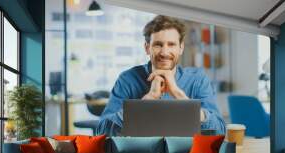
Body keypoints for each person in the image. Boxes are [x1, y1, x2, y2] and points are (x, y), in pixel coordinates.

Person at [96, 15, 226, 136]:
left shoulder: (198, 80)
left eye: (171, 44)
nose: (164, 52)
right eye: (158, 45)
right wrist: (146, 101)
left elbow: (219, 130)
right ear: (147, 48)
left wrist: (178, 94)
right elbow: (101, 132)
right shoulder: (127, 80)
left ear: (181, 48)